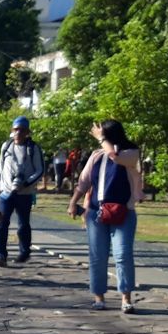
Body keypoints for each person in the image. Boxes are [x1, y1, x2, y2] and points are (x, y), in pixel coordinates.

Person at [68, 120, 143, 313]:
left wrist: (101, 138)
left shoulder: (130, 152)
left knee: (123, 255)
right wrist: (73, 202)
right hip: (96, 212)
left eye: (103, 135)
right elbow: (84, 182)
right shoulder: (96, 156)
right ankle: (98, 297)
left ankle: (126, 298)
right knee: (97, 257)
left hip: (123, 211)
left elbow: (115, 156)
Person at [0, 116, 45, 268]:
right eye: (16, 129)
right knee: (2, 223)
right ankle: (0, 254)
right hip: (6, 192)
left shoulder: (33, 148)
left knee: (23, 224)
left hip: (24, 193)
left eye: (22, 130)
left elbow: (40, 170)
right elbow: (0, 166)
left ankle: (24, 252)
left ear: (27, 132)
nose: (18, 133)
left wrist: (26, 183)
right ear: (12, 130)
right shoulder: (7, 146)